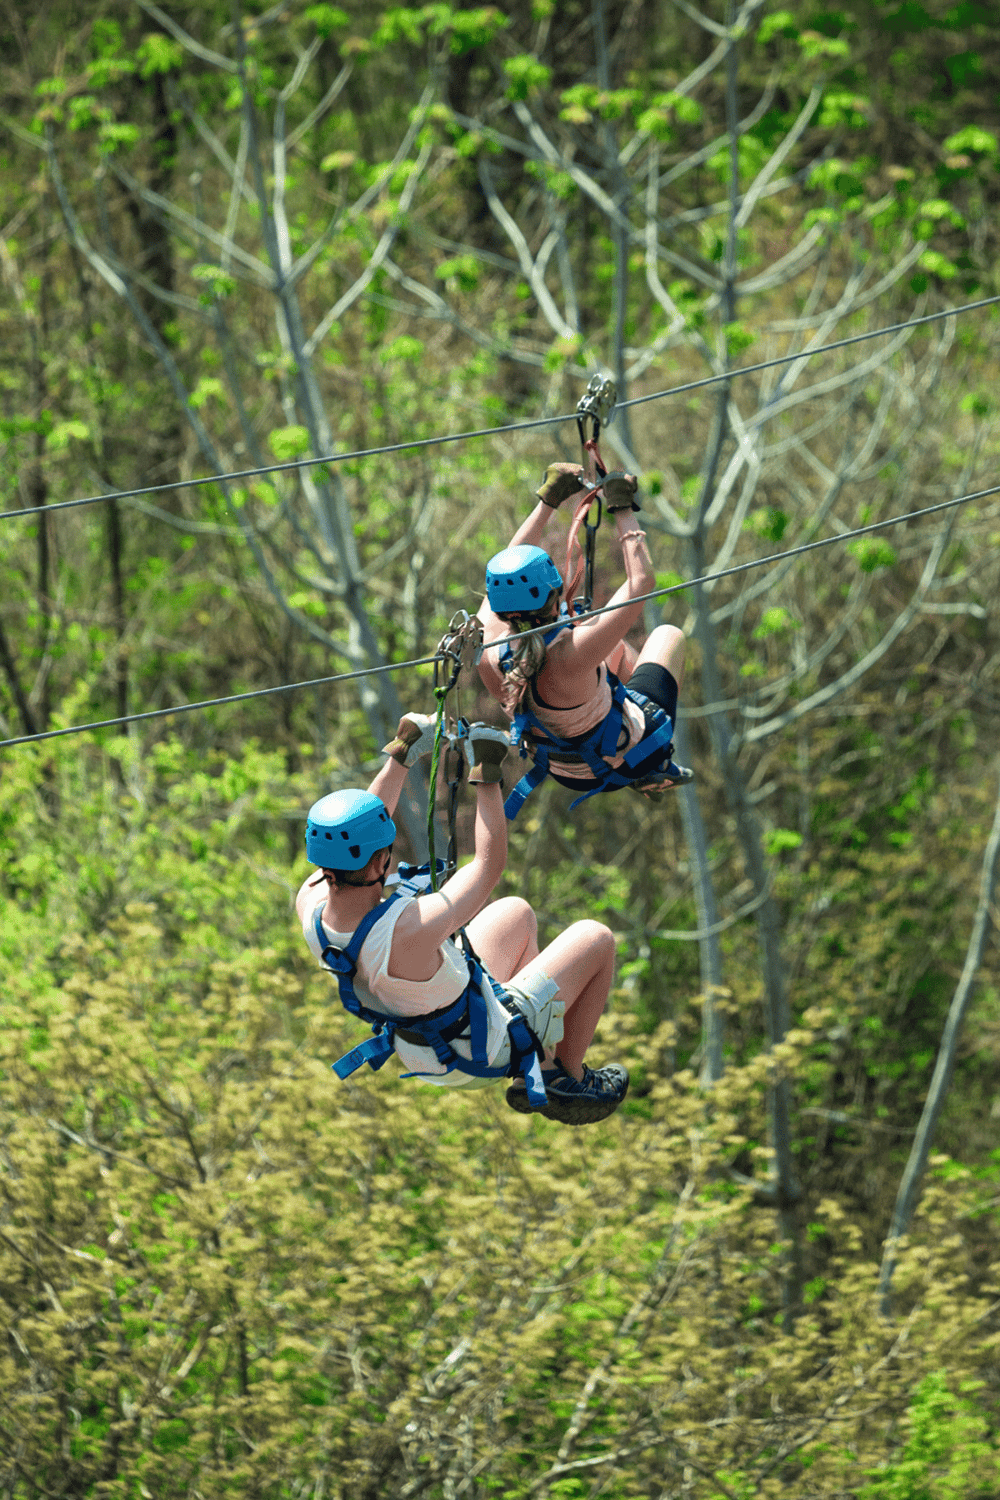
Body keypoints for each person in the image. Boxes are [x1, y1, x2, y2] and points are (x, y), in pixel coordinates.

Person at [294, 711, 629, 1124]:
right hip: (476, 1050)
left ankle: (537, 1046)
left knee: (516, 913)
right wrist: (486, 770)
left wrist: (403, 753)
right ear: (382, 859)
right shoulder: (408, 931)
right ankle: (562, 1075)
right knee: (595, 937)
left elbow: (360, 826)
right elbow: (489, 865)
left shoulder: (310, 902)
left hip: (426, 1043)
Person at [476, 462, 693, 818]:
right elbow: (641, 582)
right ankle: (656, 763)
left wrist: (547, 501)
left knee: (615, 647)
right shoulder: (572, 654)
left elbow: (505, 566)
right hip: (625, 759)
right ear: (555, 590)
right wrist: (622, 507)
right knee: (669, 636)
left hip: (565, 769)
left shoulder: (489, 646)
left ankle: (628, 730)